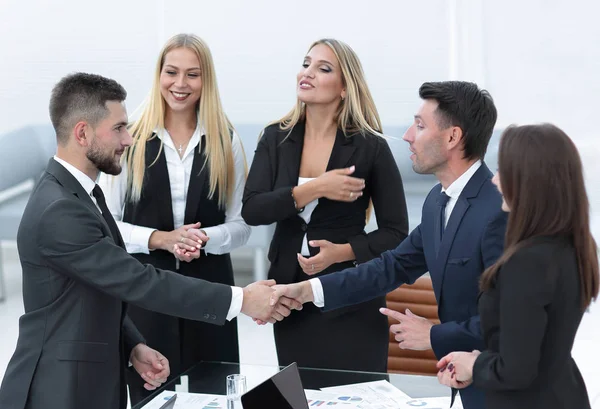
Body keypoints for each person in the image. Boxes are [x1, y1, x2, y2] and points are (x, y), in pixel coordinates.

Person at [0, 72, 299, 409]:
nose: (128, 140)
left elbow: (95, 291)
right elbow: (139, 281)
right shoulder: (60, 210)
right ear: (82, 133)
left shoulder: (81, 195)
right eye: (119, 128)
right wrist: (242, 299)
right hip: (58, 390)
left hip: (85, 382)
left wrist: (132, 346)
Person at [270, 81, 506, 409]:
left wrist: (434, 335)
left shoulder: (498, 210)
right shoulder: (438, 201)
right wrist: (308, 290)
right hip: (463, 386)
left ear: (452, 137)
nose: (408, 135)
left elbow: (510, 321)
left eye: (420, 126)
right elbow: (391, 266)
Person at [98, 33, 251, 404]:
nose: (180, 84)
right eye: (172, 72)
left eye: (193, 74)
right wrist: (160, 239)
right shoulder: (128, 136)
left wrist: (201, 240)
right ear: (159, 75)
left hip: (211, 291)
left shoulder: (224, 139)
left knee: (214, 394)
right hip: (146, 289)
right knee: (153, 395)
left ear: (206, 80)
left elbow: (242, 224)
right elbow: (106, 222)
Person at [242, 38, 408, 372]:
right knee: (299, 396)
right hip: (288, 296)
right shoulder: (276, 137)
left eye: (324, 68)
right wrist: (316, 188)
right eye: (306, 64)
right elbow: (253, 209)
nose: (308, 73)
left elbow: (396, 232)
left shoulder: (370, 146)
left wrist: (343, 252)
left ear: (345, 87)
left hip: (351, 294)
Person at [436, 124, 599, 409]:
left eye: (503, 171)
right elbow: (537, 346)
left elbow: (516, 370)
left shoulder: (527, 262)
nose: (495, 181)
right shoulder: (575, 246)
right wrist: (479, 360)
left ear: (526, 181)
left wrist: (473, 366)